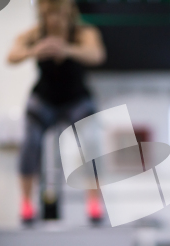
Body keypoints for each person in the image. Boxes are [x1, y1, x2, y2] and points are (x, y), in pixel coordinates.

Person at [7, 0, 106, 224]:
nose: (54, 20)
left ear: (68, 14)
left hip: (76, 100)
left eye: (59, 15)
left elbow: (97, 55)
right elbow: (11, 55)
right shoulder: (36, 34)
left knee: (90, 141)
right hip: (44, 100)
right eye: (49, 15)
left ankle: (94, 205)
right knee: (29, 142)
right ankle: (26, 205)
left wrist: (67, 50)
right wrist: (35, 51)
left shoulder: (82, 33)